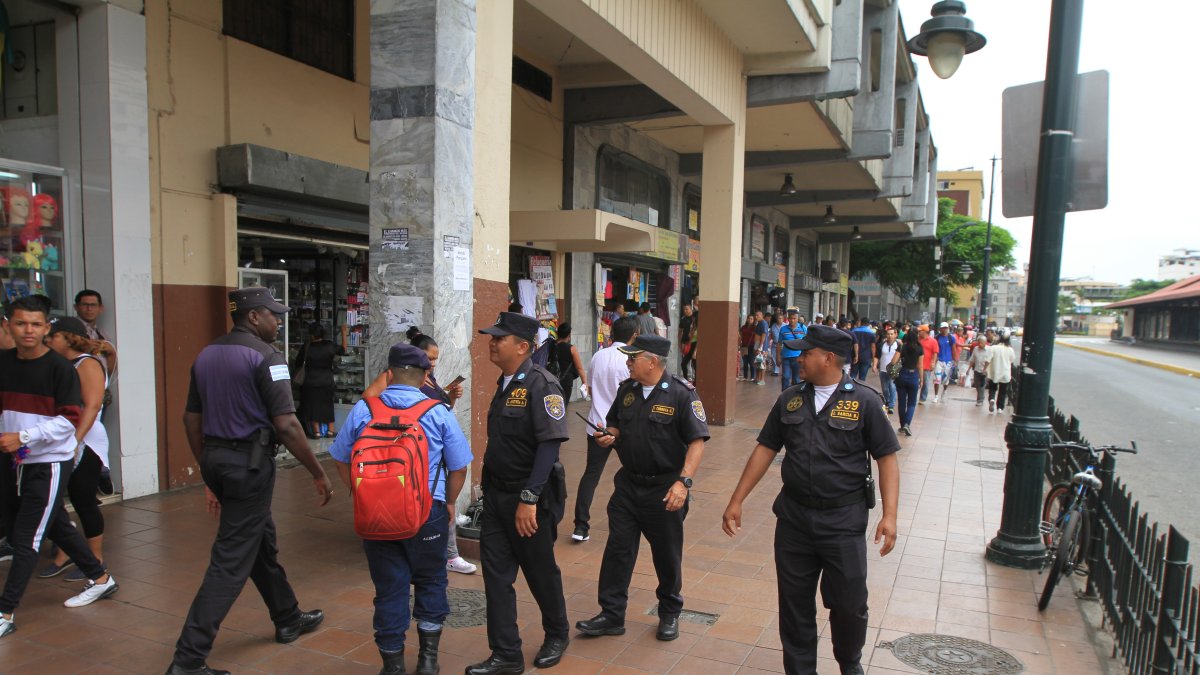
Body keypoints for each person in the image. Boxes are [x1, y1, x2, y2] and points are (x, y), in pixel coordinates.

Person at [167, 287, 333, 675]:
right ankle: (188, 660)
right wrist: (318, 471)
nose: (278, 322)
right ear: (254, 317)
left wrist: (207, 469)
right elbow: (288, 424)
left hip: (218, 461)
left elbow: (191, 419)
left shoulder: (207, 354)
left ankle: (288, 616)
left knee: (259, 542)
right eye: (274, 315)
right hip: (250, 466)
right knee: (229, 562)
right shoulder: (267, 357)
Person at [721, 325, 900, 675]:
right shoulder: (790, 398)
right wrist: (736, 499)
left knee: (849, 604)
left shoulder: (864, 400)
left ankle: (850, 663)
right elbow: (765, 449)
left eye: (806, 353)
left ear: (828, 358)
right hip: (794, 520)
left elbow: (887, 458)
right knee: (794, 604)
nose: (799, 358)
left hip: (843, 521)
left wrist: (889, 515)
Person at [328, 343, 473, 675]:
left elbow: (339, 456)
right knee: (431, 580)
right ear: (425, 377)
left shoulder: (365, 409)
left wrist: (358, 492)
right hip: (427, 513)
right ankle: (428, 660)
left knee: (389, 587)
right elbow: (460, 466)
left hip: (375, 514)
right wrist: (449, 502)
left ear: (389, 374)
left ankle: (392, 666)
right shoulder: (437, 411)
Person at [0, 297, 119, 640]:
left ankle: (5, 611)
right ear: (9, 324)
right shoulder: (4, 363)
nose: (28, 331)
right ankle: (100, 578)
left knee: (27, 537)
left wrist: (22, 436)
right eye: (21, 323)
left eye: (36, 325)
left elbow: (70, 420)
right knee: (51, 524)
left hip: (48, 461)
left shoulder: (60, 368)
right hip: (16, 460)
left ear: (46, 328)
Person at [576, 335, 709, 642]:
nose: (627, 363)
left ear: (652, 361)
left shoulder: (681, 394)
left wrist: (683, 482)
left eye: (632, 359)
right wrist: (607, 436)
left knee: (666, 554)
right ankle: (611, 614)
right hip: (628, 486)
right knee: (618, 550)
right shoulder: (627, 391)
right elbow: (614, 425)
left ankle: (669, 612)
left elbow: (697, 441)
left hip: (665, 488)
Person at [469, 312, 571, 675]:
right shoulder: (506, 382)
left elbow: (549, 445)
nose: (492, 343)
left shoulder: (542, 384)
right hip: (497, 499)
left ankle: (557, 633)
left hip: (529, 500)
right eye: (492, 337)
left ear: (523, 346)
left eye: (500, 338)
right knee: (495, 577)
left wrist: (529, 499)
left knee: (540, 571)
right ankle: (506, 654)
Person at [365, 331, 474, 575]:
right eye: (429, 358)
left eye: (435, 359)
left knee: (395, 577)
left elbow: (441, 411)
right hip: (411, 469)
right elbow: (370, 400)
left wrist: (451, 399)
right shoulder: (393, 379)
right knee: (429, 577)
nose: (432, 364)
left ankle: (450, 554)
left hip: (429, 465)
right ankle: (444, 556)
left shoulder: (430, 380)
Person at [38, 318, 114, 582]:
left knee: (83, 499)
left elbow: (92, 406)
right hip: (62, 440)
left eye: (53, 335)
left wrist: (75, 441)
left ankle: (95, 558)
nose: (47, 340)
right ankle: (65, 552)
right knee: (55, 499)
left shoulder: (87, 364)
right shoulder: (61, 364)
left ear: (69, 337)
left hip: (86, 441)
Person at [573, 316, 637, 543]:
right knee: (636, 473)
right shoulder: (632, 360)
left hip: (597, 426)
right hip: (623, 429)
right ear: (634, 335)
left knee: (590, 475)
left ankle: (580, 526)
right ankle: (635, 522)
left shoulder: (598, 356)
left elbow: (589, 388)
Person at [294, 324, 347, 438]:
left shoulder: (307, 347)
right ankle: (330, 430)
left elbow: (298, 362)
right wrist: (343, 332)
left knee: (313, 406)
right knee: (328, 405)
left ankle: (317, 432)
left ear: (312, 335)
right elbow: (343, 350)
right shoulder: (329, 345)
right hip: (326, 380)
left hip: (310, 381)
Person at [895, 329, 924, 436]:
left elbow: (893, 361)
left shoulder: (902, 347)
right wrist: (921, 379)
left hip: (902, 375)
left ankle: (903, 425)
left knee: (902, 402)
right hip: (913, 376)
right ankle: (907, 424)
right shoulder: (919, 349)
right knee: (912, 402)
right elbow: (920, 366)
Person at [551, 323, 588, 401]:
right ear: (568, 335)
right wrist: (584, 383)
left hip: (550, 380)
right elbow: (579, 368)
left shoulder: (550, 345)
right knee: (563, 406)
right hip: (565, 382)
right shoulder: (571, 349)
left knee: (552, 406)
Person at [777, 309, 805, 390]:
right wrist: (778, 357)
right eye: (790, 318)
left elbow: (806, 344)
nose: (792, 320)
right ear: (788, 319)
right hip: (786, 357)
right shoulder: (783, 329)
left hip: (798, 358)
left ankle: (795, 397)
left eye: (794, 318)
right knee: (785, 377)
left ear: (797, 319)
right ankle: (784, 395)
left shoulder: (803, 328)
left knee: (796, 379)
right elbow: (779, 343)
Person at [986, 334, 1016, 414]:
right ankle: (1000, 407)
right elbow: (1012, 360)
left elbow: (988, 359)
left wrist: (984, 369)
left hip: (994, 372)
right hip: (1005, 373)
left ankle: (992, 399)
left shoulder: (993, 348)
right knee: (1003, 391)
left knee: (992, 388)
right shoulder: (1010, 349)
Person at [877, 327, 900, 415]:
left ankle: (891, 405)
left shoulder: (898, 345)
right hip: (883, 369)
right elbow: (877, 356)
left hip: (894, 370)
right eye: (888, 334)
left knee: (892, 386)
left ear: (895, 335)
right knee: (885, 388)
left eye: (891, 334)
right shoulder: (882, 345)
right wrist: (875, 365)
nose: (890, 336)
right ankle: (887, 401)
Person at [967, 335, 991, 407]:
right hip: (977, 369)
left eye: (981, 343)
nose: (980, 344)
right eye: (979, 343)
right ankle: (980, 398)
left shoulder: (989, 349)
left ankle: (980, 400)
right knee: (977, 385)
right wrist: (968, 369)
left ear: (985, 343)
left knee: (982, 385)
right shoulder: (976, 349)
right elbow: (972, 359)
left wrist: (984, 370)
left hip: (984, 371)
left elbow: (988, 361)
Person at [917, 326, 938, 404]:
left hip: (927, 365)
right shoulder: (917, 340)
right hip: (917, 365)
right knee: (915, 381)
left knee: (925, 382)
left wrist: (933, 362)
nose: (919, 333)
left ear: (925, 331)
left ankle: (922, 398)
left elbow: (935, 353)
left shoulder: (933, 341)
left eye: (920, 331)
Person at [678, 304, 697, 380]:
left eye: (687, 309)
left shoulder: (695, 318)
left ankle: (695, 380)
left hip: (694, 343)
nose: (685, 311)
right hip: (685, 344)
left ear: (691, 309)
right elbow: (680, 332)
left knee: (694, 363)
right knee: (683, 364)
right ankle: (686, 379)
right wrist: (679, 343)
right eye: (684, 310)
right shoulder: (683, 319)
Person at [738, 315, 757, 381]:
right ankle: (745, 376)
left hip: (752, 346)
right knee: (745, 362)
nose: (749, 320)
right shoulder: (743, 327)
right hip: (743, 346)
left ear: (753, 320)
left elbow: (757, 338)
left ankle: (752, 377)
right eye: (748, 318)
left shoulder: (755, 328)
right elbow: (740, 336)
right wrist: (739, 344)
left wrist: (757, 347)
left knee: (751, 362)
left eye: (751, 319)